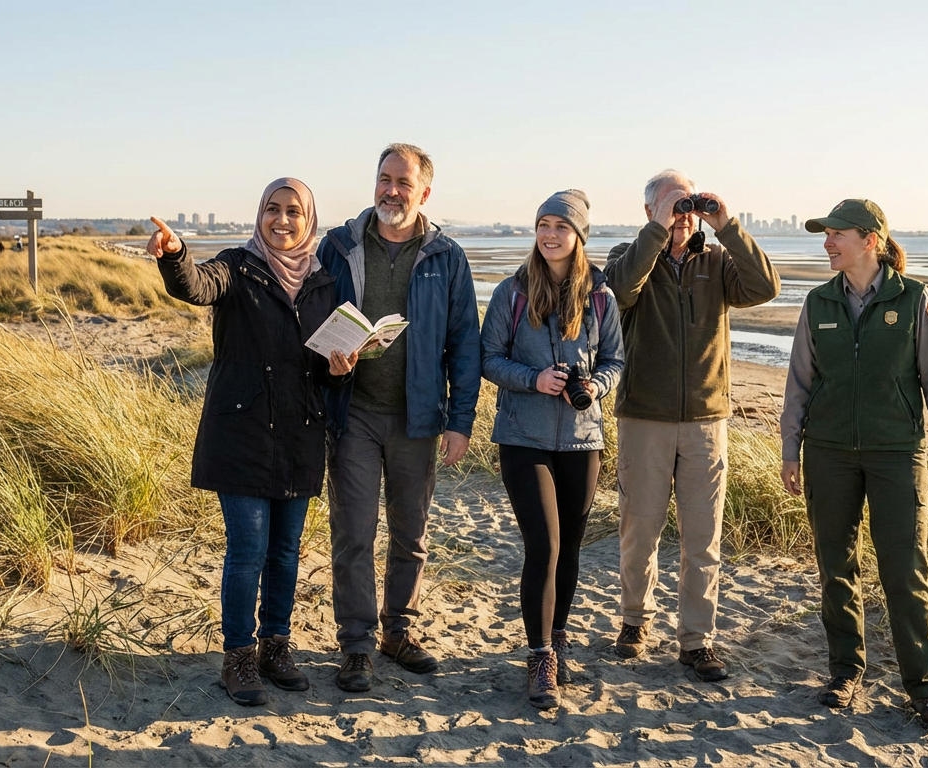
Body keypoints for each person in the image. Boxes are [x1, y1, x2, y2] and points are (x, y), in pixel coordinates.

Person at [147, 178, 357, 707]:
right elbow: (194, 285)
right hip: (240, 433)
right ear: (259, 214)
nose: (281, 221)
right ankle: (238, 655)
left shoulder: (324, 283)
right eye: (272, 209)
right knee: (248, 551)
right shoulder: (236, 267)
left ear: (309, 220)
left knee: (285, 552)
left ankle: (275, 647)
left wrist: (340, 368)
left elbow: (322, 372)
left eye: (293, 212)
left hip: (300, 434)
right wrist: (174, 255)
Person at [779, 199, 928, 728]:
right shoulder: (817, 302)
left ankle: (923, 687)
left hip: (897, 453)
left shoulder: (915, 300)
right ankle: (845, 671)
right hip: (829, 452)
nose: (828, 242)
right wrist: (791, 449)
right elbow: (799, 384)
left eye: (838, 234)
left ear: (871, 240)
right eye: (826, 234)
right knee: (836, 566)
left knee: (905, 570)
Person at [603, 169, 781, 682]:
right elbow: (617, 293)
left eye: (687, 205)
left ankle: (697, 640)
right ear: (648, 212)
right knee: (640, 529)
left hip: (707, 419)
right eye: (669, 205)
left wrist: (726, 225)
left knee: (703, 537)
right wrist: (659, 232)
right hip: (644, 416)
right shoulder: (628, 255)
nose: (681, 215)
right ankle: (635, 621)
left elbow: (765, 285)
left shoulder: (717, 261)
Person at [316, 143, 481, 692]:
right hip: (353, 412)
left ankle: (399, 632)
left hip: (418, 418)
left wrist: (460, 420)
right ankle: (357, 645)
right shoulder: (339, 246)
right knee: (354, 533)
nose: (391, 190)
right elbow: (313, 320)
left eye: (403, 183)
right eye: (384, 178)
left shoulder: (447, 257)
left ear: (423, 193)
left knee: (411, 534)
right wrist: (332, 358)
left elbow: (464, 344)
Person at [480, 190, 623, 708]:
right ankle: (540, 656)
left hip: (583, 440)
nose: (550, 234)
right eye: (543, 224)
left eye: (561, 226)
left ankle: (557, 636)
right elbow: (489, 358)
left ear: (578, 235)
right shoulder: (511, 293)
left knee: (570, 548)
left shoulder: (601, 296)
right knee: (543, 544)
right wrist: (533, 379)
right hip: (523, 438)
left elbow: (615, 361)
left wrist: (594, 387)